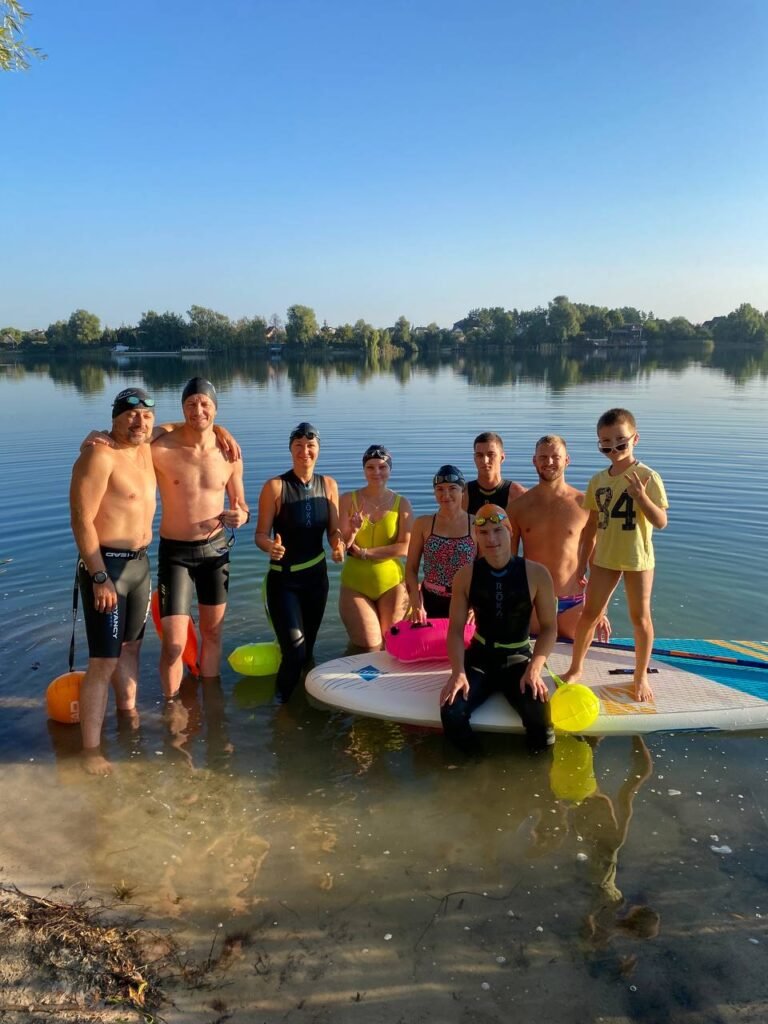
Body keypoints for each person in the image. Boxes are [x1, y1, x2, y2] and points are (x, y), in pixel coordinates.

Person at [69, 387, 157, 775]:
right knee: (103, 661)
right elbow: (81, 519)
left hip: (140, 566)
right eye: (131, 415)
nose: (140, 422)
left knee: (131, 650)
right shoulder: (99, 455)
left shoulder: (146, 447)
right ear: (115, 418)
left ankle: (128, 716)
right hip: (107, 569)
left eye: (147, 416)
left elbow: (186, 427)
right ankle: (90, 751)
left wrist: (220, 431)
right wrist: (99, 575)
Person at [561, 409, 669, 701]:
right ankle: (575, 668)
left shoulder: (648, 477)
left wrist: (642, 497)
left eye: (621, 442)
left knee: (640, 618)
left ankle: (640, 675)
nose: (614, 449)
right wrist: (581, 565)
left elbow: (661, 521)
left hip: (637, 559)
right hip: (605, 559)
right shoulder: (598, 481)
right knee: (589, 614)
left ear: (635, 438)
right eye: (606, 444)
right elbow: (591, 528)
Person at [151, 378, 249, 700]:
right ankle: (171, 708)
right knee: (173, 643)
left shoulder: (229, 454)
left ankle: (212, 704)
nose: (198, 410)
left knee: (213, 633)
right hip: (175, 554)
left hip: (215, 550)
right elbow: (127, 439)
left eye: (205, 404)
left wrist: (241, 516)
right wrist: (96, 439)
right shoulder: (160, 448)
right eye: (191, 404)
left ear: (215, 408)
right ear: (182, 408)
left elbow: (241, 504)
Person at [440, 504, 557, 754]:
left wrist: (535, 669)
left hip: (518, 658)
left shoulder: (537, 574)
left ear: (510, 531)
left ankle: (535, 773)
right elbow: (456, 630)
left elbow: (549, 628)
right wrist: (458, 671)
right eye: (483, 533)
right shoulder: (465, 576)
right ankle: (476, 766)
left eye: (497, 530)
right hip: (479, 659)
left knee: (539, 715)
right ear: (476, 536)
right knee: (451, 711)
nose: (491, 539)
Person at [254, 422, 345, 702]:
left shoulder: (329, 485)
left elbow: (334, 531)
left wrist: (339, 545)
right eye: (298, 446)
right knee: (294, 650)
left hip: (317, 579)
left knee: (308, 650)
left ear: (318, 449)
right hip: (284, 581)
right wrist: (270, 546)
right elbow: (260, 534)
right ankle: (282, 708)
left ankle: (304, 704)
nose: (305, 451)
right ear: (290, 450)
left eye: (310, 446)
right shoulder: (275, 487)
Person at [507, 434, 611, 641]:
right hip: (533, 603)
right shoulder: (518, 508)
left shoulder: (585, 504)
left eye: (555, 457)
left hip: (575, 603)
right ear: (534, 461)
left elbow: (598, 562)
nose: (549, 462)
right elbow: (508, 563)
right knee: (529, 658)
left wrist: (601, 608)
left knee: (580, 658)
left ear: (567, 460)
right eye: (543, 457)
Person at [338, 445, 413, 650]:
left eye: (382, 467)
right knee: (369, 646)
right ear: (364, 470)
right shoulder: (348, 499)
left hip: (392, 584)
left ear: (390, 469)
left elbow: (405, 547)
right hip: (355, 584)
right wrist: (353, 531)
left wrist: (365, 553)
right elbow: (342, 546)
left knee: (392, 645)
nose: (376, 472)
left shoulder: (402, 504)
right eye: (370, 467)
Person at [405, 465, 476, 621]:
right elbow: (411, 569)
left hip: (466, 601)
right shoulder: (423, 524)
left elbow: (485, 570)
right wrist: (415, 601)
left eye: (452, 488)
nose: (446, 495)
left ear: (463, 491)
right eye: (440, 489)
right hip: (429, 601)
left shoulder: (476, 524)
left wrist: (477, 605)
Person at [463, 432, 526, 515]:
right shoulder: (463, 495)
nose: (485, 461)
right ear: (474, 458)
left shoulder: (518, 495)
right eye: (479, 455)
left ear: (502, 458)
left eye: (490, 454)